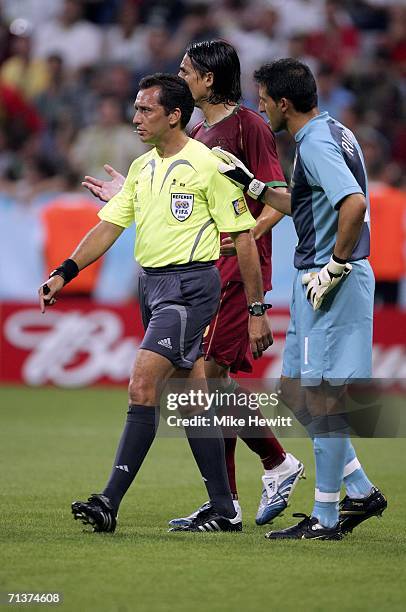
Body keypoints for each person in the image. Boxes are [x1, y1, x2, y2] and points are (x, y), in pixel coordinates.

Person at [38, 73, 273, 534]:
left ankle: (109, 501)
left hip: (189, 288)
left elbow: (243, 239)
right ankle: (224, 508)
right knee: (190, 400)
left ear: (174, 115)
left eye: (146, 110)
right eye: (136, 108)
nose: (135, 117)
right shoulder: (144, 167)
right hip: (152, 287)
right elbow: (109, 224)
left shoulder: (210, 165)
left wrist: (256, 309)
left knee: (142, 384)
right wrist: (65, 271)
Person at [83, 41, 304, 528]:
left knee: (204, 378)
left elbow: (278, 197)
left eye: (187, 70)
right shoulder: (198, 130)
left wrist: (242, 237)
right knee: (208, 380)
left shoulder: (248, 125)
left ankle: (250, 485)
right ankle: (254, 480)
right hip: (205, 265)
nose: (181, 76)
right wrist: (131, 193)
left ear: (208, 79)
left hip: (231, 264)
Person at [214, 58, 387, 540]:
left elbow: (353, 203)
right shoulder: (333, 132)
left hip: (330, 280)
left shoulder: (314, 145)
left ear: (283, 103)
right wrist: (252, 186)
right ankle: (361, 492)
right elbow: (309, 203)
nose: (260, 106)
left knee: (322, 399)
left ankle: (327, 518)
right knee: (295, 392)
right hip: (318, 280)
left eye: (264, 99)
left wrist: (334, 265)